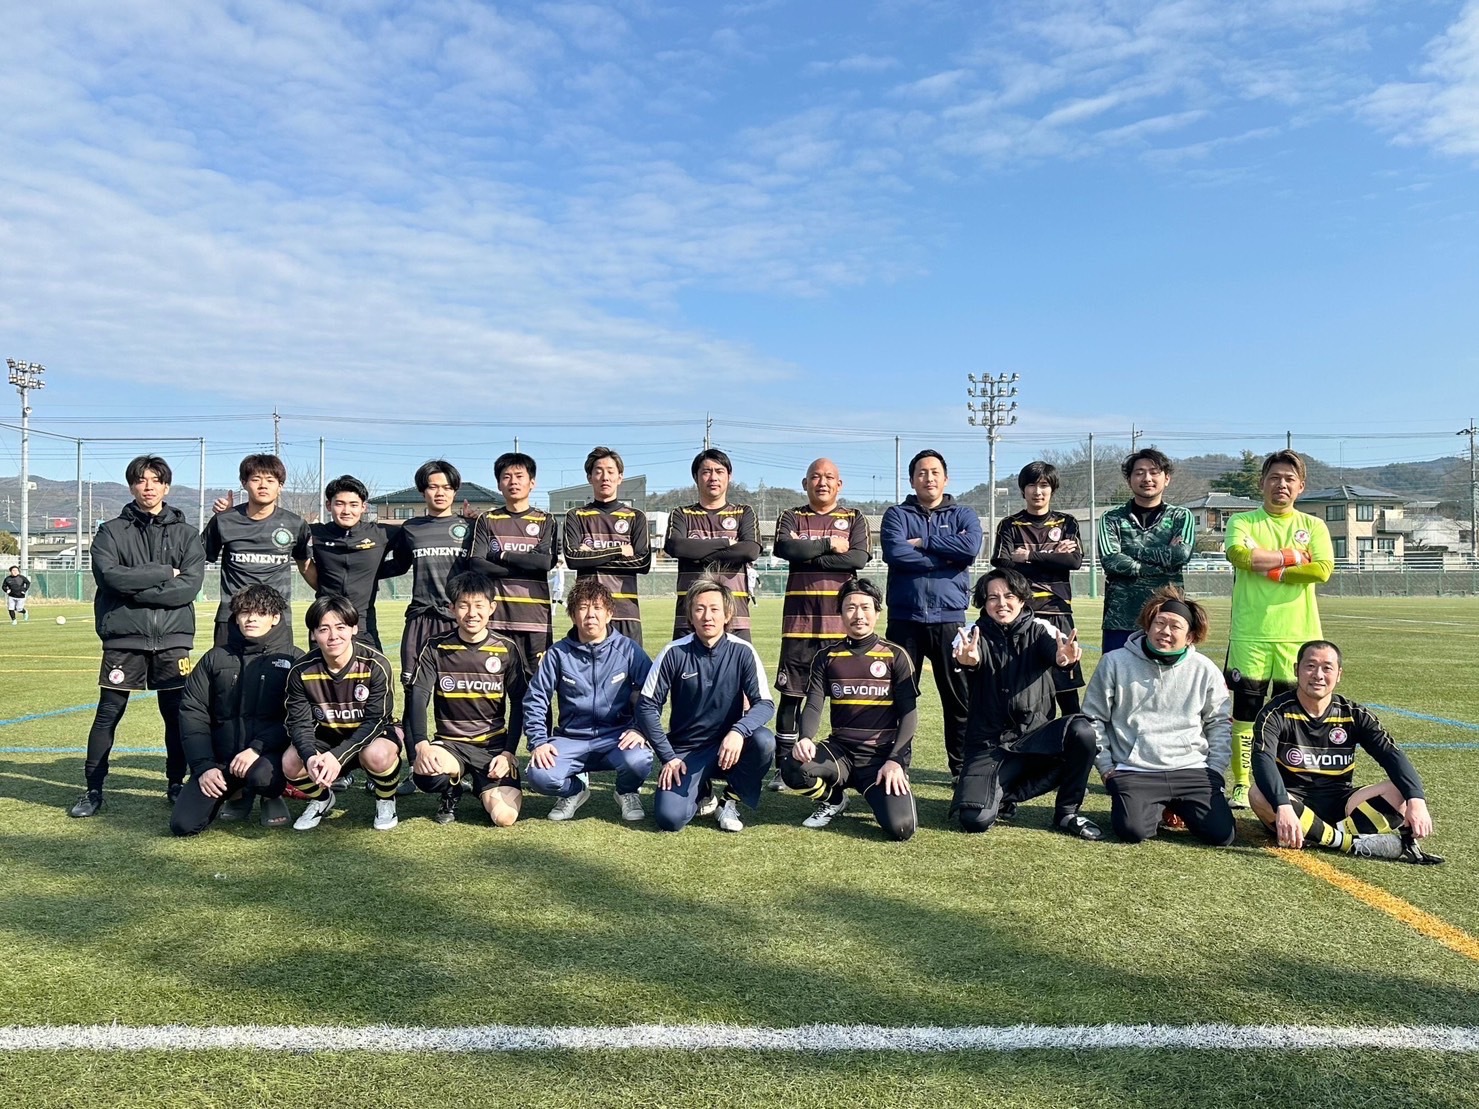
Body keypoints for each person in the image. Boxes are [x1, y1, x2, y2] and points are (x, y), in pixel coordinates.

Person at [69, 455, 206, 818]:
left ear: (166, 486)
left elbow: (188, 588)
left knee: (176, 716)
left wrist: (134, 590)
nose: (148, 486)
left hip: (173, 638)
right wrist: (163, 572)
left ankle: (176, 784)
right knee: (108, 713)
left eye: (155, 480)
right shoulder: (111, 531)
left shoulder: (187, 534)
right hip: (124, 638)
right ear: (131, 486)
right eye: (141, 480)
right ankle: (93, 789)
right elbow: (109, 578)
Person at [1250, 640, 1442, 864]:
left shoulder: (1353, 714)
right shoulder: (1275, 713)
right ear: (1296, 670)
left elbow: (1391, 755)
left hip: (1341, 804)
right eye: (1310, 666)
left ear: (1339, 674)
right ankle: (1349, 843)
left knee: (1402, 791)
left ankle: (1326, 837)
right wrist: (1283, 805)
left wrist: (1417, 800)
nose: (1318, 675)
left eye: (1327, 668)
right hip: (1293, 803)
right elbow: (1262, 759)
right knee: (1258, 794)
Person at [950, 567, 1101, 840]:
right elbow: (969, 657)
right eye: (993, 597)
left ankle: (1067, 811)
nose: (1001, 603)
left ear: (1021, 599)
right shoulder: (971, 634)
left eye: (1009, 596)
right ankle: (1001, 796)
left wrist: (1064, 659)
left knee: (1082, 732)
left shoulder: (1042, 629)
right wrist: (968, 660)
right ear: (983, 602)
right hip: (989, 743)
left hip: (1035, 739)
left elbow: (1056, 653)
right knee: (975, 819)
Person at [1223, 450, 1334, 809]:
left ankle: (1287, 784)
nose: (1281, 484)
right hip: (1250, 633)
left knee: (1293, 714)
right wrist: (1294, 556)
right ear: (1262, 483)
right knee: (1246, 712)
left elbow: (1322, 569)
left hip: (1298, 635)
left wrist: (1273, 568)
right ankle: (1242, 784)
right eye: (1274, 477)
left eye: (1289, 479)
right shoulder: (1243, 520)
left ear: (1301, 486)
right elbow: (1241, 556)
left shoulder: (1313, 526)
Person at [1083, 588, 1235, 846]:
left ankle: (1174, 805)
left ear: (1190, 636)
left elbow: (1219, 722)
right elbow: (1093, 718)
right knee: (1131, 831)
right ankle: (1159, 806)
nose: (1165, 631)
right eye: (1159, 623)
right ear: (1148, 626)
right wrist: (1107, 768)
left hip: (1190, 768)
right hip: (1136, 769)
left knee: (1222, 835)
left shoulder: (1205, 669)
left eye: (1175, 626)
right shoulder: (1114, 662)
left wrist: (1215, 771)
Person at [779, 578, 917, 841]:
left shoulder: (895, 655)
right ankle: (835, 800)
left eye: (865, 607)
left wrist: (896, 760)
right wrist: (805, 738)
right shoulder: (827, 656)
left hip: (880, 756)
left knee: (902, 828)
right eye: (850, 608)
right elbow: (814, 702)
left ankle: (882, 788)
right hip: (840, 751)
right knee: (792, 768)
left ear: (877, 612)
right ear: (840, 613)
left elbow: (909, 714)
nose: (858, 615)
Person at [638, 577, 776, 833]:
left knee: (764, 741)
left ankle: (729, 801)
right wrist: (668, 757)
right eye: (699, 609)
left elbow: (765, 704)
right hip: (686, 751)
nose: (707, 616)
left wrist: (738, 731)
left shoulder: (743, 651)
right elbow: (646, 707)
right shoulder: (674, 652)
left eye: (714, 609)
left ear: (727, 614)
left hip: (729, 747)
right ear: (690, 615)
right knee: (670, 819)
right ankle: (701, 789)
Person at [880, 449, 981, 780]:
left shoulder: (963, 514)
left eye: (935, 472)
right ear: (912, 480)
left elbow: (969, 549)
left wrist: (923, 541)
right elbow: (896, 553)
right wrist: (947, 557)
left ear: (946, 478)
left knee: (958, 698)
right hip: (905, 619)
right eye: (922, 473)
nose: (929, 478)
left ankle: (961, 770)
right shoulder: (896, 515)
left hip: (949, 619)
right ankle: (897, 764)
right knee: (900, 696)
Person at [170, 584, 303, 836]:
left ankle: (270, 795)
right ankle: (238, 793)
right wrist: (204, 766)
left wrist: (257, 747)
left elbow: (298, 718)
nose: (251, 618)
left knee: (262, 776)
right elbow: (193, 713)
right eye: (244, 612)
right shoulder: (214, 658)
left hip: (266, 758)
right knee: (183, 825)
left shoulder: (294, 659)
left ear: (275, 618)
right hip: (222, 761)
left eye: (260, 613)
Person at [770, 458, 870, 782]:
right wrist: (829, 546)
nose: (822, 482)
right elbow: (785, 548)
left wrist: (808, 553)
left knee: (851, 697)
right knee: (791, 697)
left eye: (829, 477)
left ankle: (855, 763)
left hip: (841, 628)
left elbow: (857, 558)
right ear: (805, 483)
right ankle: (783, 768)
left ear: (839, 484)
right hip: (798, 628)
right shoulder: (791, 516)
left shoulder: (854, 518)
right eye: (815, 476)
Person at [523, 577, 653, 823]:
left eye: (597, 608)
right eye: (583, 608)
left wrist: (640, 729)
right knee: (540, 775)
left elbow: (652, 693)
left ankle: (626, 792)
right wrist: (538, 741)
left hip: (616, 737)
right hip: (571, 738)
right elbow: (536, 698)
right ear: (573, 615)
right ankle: (575, 790)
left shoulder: (628, 650)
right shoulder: (558, 653)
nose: (590, 614)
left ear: (609, 614)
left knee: (640, 759)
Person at [406, 571, 527, 827]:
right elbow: (419, 695)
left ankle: (483, 787)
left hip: (493, 747)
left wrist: (508, 753)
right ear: (452, 608)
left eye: (479, 605)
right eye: (464, 605)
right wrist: (421, 744)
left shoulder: (506, 648)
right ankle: (452, 789)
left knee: (504, 818)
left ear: (491, 608)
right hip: (451, 745)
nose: (472, 613)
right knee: (426, 773)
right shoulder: (436, 646)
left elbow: (519, 702)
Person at [283, 594, 402, 832]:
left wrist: (337, 756)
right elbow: (299, 723)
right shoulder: (301, 670)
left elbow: (376, 720)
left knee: (378, 755)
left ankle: (386, 799)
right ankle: (322, 799)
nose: (333, 636)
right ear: (313, 634)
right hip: (328, 735)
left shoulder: (375, 664)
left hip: (371, 735)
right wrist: (310, 756)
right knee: (291, 763)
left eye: (340, 627)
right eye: (324, 629)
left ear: (354, 628)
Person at [991, 461, 1085, 716]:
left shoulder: (1067, 522)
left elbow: (1073, 561)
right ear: (1023, 490)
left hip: (1058, 611)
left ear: (1052, 489)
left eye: (1044, 485)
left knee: (1066, 689)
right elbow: (1003, 564)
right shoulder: (1010, 525)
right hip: (1023, 615)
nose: (1038, 491)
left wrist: (1031, 556)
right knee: (1024, 689)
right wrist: (1053, 555)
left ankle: (1072, 738)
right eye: (1032, 485)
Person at [382, 460, 473, 692]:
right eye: (433, 487)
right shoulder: (411, 528)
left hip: (458, 617)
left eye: (447, 487)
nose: (440, 493)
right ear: (423, 491)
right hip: (420, 616)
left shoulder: (470, 526)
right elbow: (399, 565)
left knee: (456, 691)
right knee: (414, 689)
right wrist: (361, 574)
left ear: (455, 491)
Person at [203, 454, 310, 650]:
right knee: (225, 669)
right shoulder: (223, 521)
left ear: (280, 486)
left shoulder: (295, 524)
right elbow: (197, 558)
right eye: (256, 479)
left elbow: (306, 565)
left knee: (278, 670)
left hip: (276, 617)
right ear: (244, 483)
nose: (263, 485)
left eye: (270, 480)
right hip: (232, 617)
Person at [1097, 448, 1195, 654]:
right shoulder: (1111, 518)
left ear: (1166, 479)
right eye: (1139, 473)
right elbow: (1111, 560)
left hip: (1167, 617)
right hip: (1120, 617)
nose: (1147, 478)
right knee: (1117, 672)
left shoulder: (1180, 516)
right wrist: (1163, 562)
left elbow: (1181, 555)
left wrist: (1131, 551)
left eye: (1154, 472)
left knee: (1167, 673)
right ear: (1129, 480)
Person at [468, 452, 560, 671]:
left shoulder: (545, 520)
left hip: (535, 619)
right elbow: (477, 563)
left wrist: (502, 556)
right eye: (506, 477)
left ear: (532, 482)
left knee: (537, 685)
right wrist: (525, 564)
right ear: (499, 484)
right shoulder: (488, 519)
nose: (513, 482)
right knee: (495, 685)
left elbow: (544, 563)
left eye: (519, 476)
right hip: (496, 619)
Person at [664, 448, 761, 641]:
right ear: (696, 477)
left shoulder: (744, 512)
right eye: (706, 472)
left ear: (729, 476)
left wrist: (696, 553)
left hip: (735, 618)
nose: (713, 477)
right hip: (689, 619)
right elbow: (676, 547)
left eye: (719, 471)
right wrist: (725, 543)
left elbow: (750, 551)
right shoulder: (682, 514)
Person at [563, 446, 651, 645]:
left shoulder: (636, 517)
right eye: (599, 471)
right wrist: (619, 550)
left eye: (611, 472)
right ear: (589, 477)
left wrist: (591, 556)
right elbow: (573, 559)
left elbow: (642, 563)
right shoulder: (576, 516)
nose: (605, 477)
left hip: (626, 611)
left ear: (620, 477)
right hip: (588, 613)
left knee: (630, 664)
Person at [300, 475, 398, 651]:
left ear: (363, 507)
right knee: (320, 668)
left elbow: (404, 559)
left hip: (363, 622)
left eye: (353, 504)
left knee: (373, 667)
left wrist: (374, 572)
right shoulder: (313, 533)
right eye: (340, 504)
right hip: (325, 620)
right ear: (329, 505)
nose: (346, 511)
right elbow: (301, 560)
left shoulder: (381, 534)